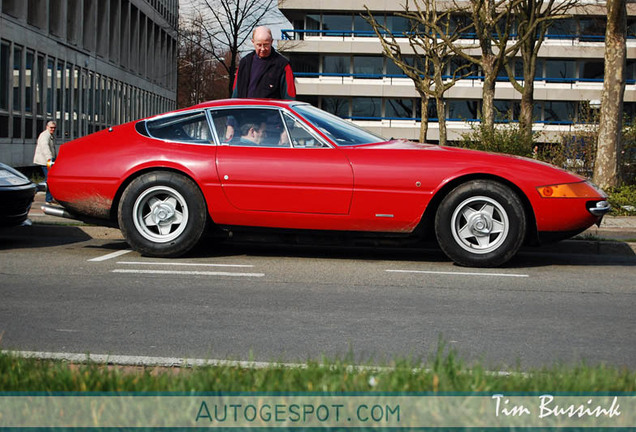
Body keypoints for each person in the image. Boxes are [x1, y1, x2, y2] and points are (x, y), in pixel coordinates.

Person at [232, 26, 296, 100]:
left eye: (266, 45)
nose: (262, 49)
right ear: (253, 42)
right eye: (259, 45)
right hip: (245, 110)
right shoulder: (244, 63)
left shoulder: (283, 65)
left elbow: (290, 97)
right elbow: (235, 94)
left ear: (271, 42)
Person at [33, 121, 57, 203]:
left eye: (54, 128)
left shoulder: (50, 135)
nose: (53, 129)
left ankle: (48, 198)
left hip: (48, 160)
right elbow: (45, 148)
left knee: (50, 179)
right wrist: (49, 159)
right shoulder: (45, 135)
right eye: (51, 127)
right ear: (47, 127)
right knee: (50, 180)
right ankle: (35, 190)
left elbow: (52, 149)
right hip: (45, 161)